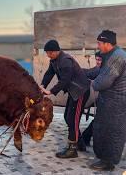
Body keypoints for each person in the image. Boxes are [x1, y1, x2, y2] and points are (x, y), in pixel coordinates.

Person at [40, 40, 90, 158]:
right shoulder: (54, 60)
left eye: (48, 53)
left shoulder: (65, 61)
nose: (47, 55)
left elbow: (65, 80)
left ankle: (72, 149)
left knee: (73, 120)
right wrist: (42, 85)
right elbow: (49, 73)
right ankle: (80, 143)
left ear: (54, 51)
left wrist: (51, 91)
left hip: (80, 92)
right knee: (67, 117)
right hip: (73, 92)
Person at [90, 30, 126, 171]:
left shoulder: (117, 57)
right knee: (104, 128)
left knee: (112, 130)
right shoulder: (113, 55)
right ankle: (105, 158)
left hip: (116, 101)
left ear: (107, 43)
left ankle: (108, 162)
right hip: (110, 100)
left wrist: (93, 83)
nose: (98, 45)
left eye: (99, 43)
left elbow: (103, 81)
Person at [81, 52, 102, 146]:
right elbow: (88, 72)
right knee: (99, 120)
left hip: (110, 100)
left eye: (100, 60)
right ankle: (86, 137)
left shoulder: (104, 70)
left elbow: (88, 73)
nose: (98, 62)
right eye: (97, 59)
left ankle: (86, 137)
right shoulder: (98, 69)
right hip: (104, 100)